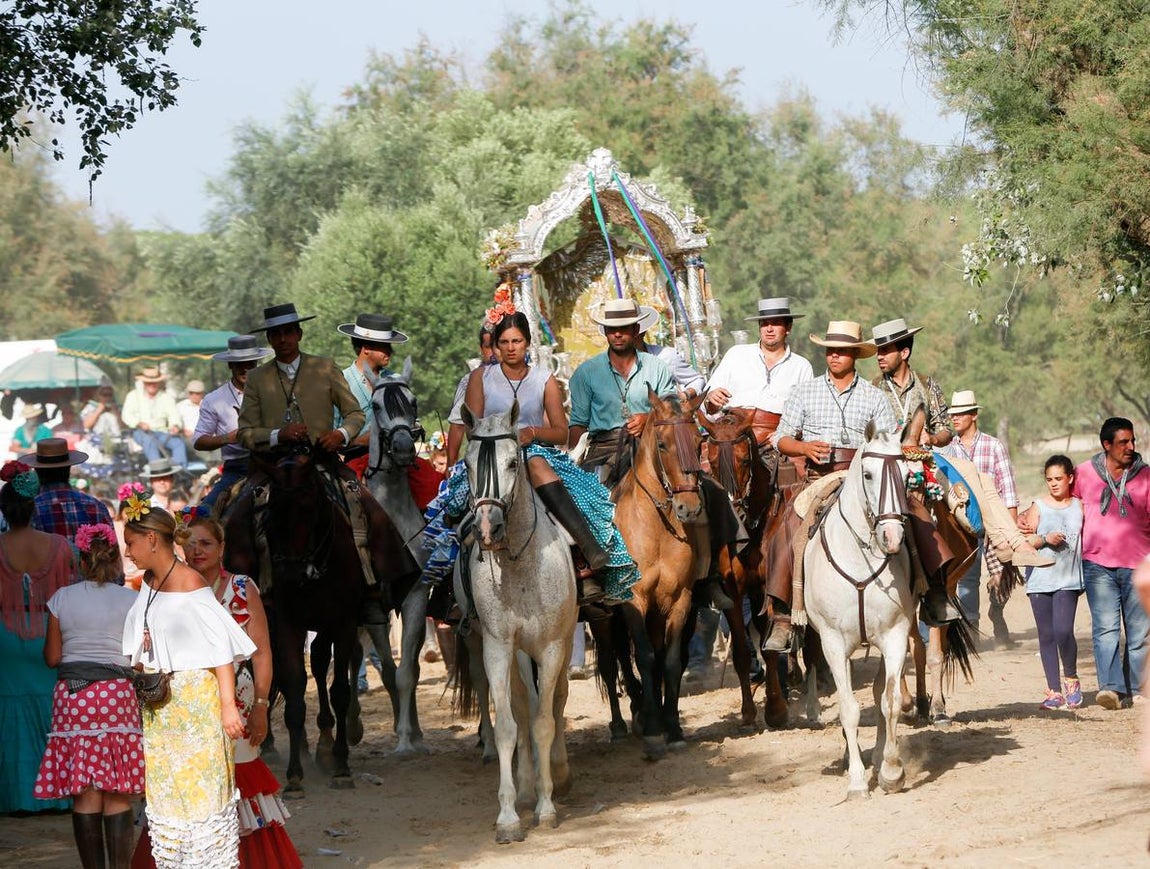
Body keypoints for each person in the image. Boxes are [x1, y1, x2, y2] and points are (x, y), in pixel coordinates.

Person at [426, 310, 636, 605]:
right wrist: (502, 439)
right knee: (453, 509)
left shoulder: (544, 379)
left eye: (517, 341)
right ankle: (448, 589)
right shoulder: (480, 378)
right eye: (505, 342)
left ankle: (588, 554)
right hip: (490, 453)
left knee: (543, 469)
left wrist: (532, 433)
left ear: (528, 344)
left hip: (535, 451)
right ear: (496, 345)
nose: (511, 347)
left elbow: (562, 433)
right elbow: (473, 428)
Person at [119, 498, 255, 867]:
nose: (127, 552)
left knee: (202, 799)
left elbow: (222, 649)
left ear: (151, 539)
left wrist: (229, 707)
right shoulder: (148, 581)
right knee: (169, 800)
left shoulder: (191, 582)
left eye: (131, 542)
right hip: (160, 707)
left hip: (195, 703)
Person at [178, 514, 302, 868]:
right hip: (188, 701)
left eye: (206, 543)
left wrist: (262, 704)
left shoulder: (242, 586)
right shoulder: (169, 587)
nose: (197, 549)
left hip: (240, 698)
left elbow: (261, 650)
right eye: (190, 542)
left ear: (222, 548)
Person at [767, 320, 897, 651]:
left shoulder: (875, 397)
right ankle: (783, 617)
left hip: (864, 478)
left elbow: (888, 441)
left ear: (855, 355)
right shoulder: (805, 391)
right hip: (817, 478)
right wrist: (804, 448)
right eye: (830, 350)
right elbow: (779, 437)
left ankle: (932, 590)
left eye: (842, 351)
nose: (834, 356)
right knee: (788, 528)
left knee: (904, 516)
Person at [35, 522, 143, 867]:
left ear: (80, 561)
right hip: (117, 697)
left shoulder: (61, 599)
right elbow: (138, 660)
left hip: (73, 699)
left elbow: (53, 658)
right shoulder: (132, 600)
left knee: (85, 791)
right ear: (115, 561)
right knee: (117, 788)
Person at [944, 389, 1050, 644]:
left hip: (995, 523)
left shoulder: (993, 446)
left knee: (1003, 575)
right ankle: (973, 633)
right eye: (953, 414)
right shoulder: (948, 451)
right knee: (967, 579)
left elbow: (1008, 489)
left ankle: (997, 611)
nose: (955, 418)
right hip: (964, 525)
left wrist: (1010, 526)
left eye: (960, 414)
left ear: (973, 415)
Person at [0, 460, 73, 814]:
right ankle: (58, 792)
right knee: (51, 710)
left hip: (5, 638)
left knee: (10, 712)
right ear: (33, 507)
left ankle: (16, 796)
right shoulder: (60, 546)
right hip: (51, 635)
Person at [1072, 417, 1150, 709]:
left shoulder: (1146, 476)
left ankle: (1137, 688)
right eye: (1123, 442)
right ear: (1106, 445)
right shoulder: (1083, 474)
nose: (1130, 447)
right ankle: (1111, 689)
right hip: (1097, 565)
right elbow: (1065, 506)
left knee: (1139, 632)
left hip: (1139, 566)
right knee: (1105, 629)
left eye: (1132, 442)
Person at [1018, 455, 1085, 710]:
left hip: (1068, 578)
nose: (1054, 484)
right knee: (1046, 635)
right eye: (1049, 480)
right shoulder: (1038, 506)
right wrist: (1045, 538)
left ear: (1070, 478)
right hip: (1039, 578)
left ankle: (1071, 679)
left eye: (1059, 479)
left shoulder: (1079, 506)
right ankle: (1054, 691)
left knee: (1063, 631)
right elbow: (1027, 541)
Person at [704, 297, 814, 448]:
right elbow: (706, 404)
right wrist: (711, 398)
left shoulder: (801, 366)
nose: (769, 329)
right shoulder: (736, 354)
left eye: (775, 323)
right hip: (732, 437)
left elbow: (808, 416)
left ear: (788, 327)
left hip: (777, 440)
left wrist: (785, 435)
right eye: (764, 324)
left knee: (798, 469)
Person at [193, 335, 273, 511]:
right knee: (204, 513)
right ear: (230, 365)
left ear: (257, 363)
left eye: (250, 364)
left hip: (275, 462)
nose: (246, 369)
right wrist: (227, 438)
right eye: (239, 364)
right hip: (238, 469)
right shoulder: (214, 400)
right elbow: (198, 441)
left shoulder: (275, 391)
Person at [337, 313, 405, 479]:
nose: (390, 350)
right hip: (354, 459)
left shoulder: (396, 381)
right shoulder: (341, 382)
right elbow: (332, 431)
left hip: (397, 460)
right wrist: (359, 441)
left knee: (430, 486)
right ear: (365, 348)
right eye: (383, 345)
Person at [22, 438, 114, 544]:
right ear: (68, 469)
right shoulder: (95, 506)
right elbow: (110, 549)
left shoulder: (30, 511)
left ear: (37, 471)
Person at [446, 324, 497, 465]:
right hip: (482, 457)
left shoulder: (524, 376)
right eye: (488, 347)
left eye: (497, 345)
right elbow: (457, 424)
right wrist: (451, 464)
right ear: (481, 349)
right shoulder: (469, 381)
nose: (493, 351)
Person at [121, 368, 188, 467]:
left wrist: (175, 426)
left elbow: (174, 415)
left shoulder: (166, 397)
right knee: (149, 442)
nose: (152, 385)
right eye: (149, 383)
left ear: (159, 383)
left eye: (155, 383)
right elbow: (126, 415)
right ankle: (159, 472)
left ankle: (181, 472)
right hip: (141, 432)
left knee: (178, 443)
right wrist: (139, 423)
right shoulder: (133, 395)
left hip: (162, 432)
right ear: (144, 383)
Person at [637, 307, 707, 398]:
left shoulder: (665, 356)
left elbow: (696, 380)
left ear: (642, 332)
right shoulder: (613, 364)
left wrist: (686, 394)